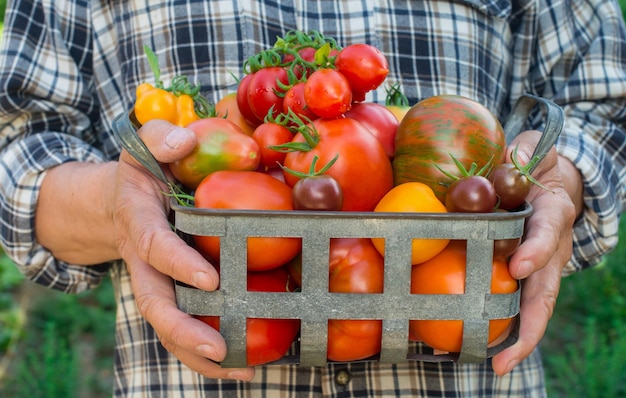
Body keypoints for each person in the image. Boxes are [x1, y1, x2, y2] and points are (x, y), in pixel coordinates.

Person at [0, 0, 624, 396]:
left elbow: (601, 105)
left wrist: (559, 176)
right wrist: (117, 199)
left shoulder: (353, 132)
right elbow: (20, 155)